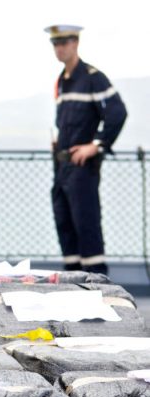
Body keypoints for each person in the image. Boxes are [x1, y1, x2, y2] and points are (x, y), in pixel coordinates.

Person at [46, 24, 127, 275]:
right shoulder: (62, 81)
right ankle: (71, 282)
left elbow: (117, 113)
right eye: (55, 44)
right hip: (62, 167)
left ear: (75, 43)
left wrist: (96, 145)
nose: (59, 48)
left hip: (82, 169)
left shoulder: (93, 78)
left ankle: (97, 285)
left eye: (64, 43)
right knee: (65, 226)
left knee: (86, 227)